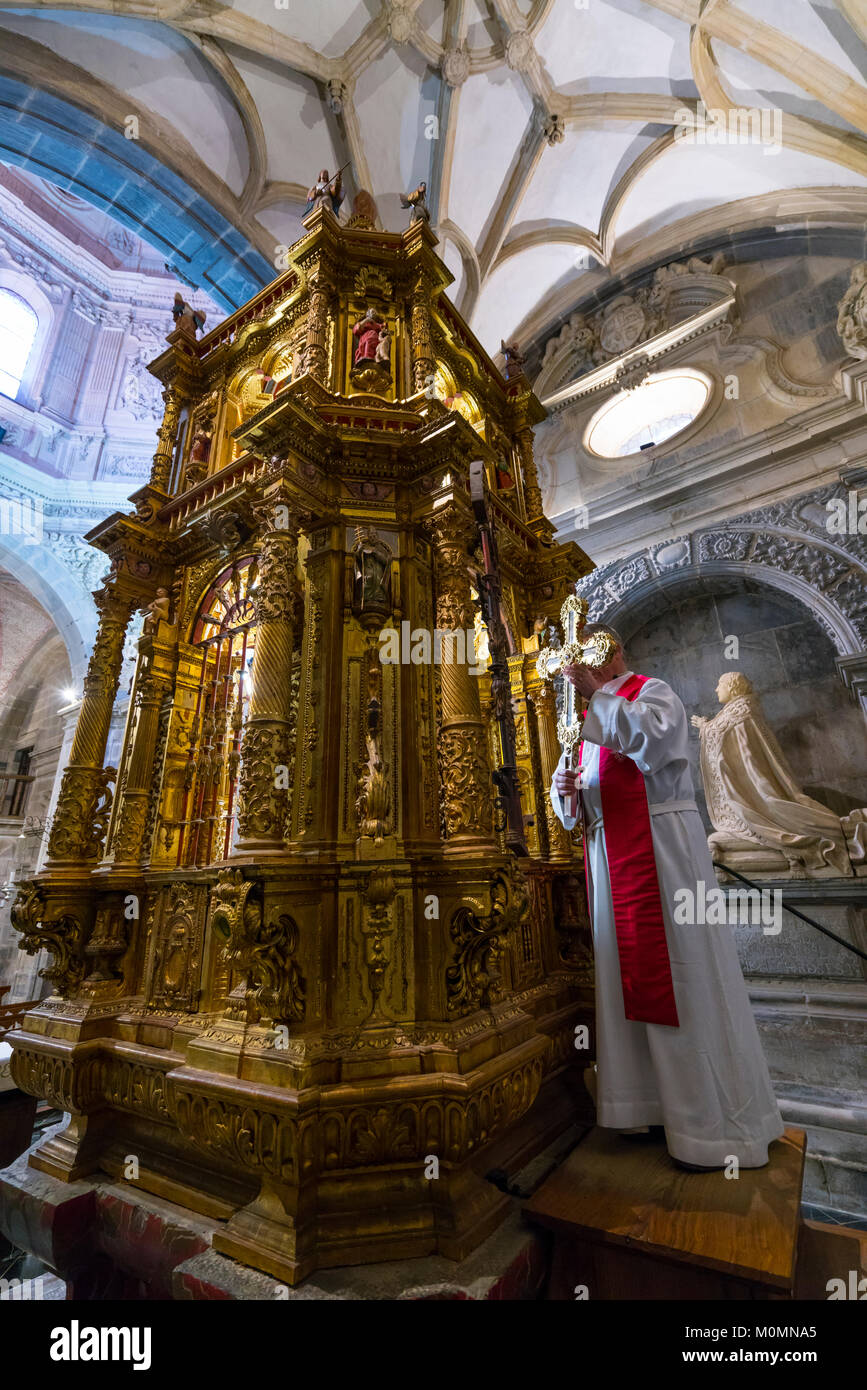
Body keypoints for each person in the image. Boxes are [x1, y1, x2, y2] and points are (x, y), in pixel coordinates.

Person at [550, 623, 783, 1170]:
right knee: (623, 982)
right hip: (613, 859)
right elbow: (581, 795)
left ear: (615, 654)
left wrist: (595, 696)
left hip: (660, 851)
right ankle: (646, 1106)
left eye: (591, 654)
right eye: (576, 657)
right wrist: (568, 794)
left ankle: (710, 1126)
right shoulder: (589, 718)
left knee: (685, 975)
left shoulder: (651, 692)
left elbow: (657, 744)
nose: (581, 665)